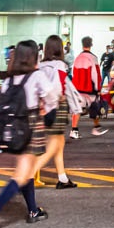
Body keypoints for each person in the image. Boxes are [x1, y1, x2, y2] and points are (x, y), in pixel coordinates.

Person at [0, 40, 58, 228]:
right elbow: (52, 97)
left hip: (13, 128)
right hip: (30, 125)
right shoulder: (36, 76)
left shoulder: (9, 79)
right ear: (33, 57)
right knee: (22, 173)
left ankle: (33, 210)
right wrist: (46, 111)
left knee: (27, 169)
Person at [35, 35, 76, 189]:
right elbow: (59, 87)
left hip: (43, 105)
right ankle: (28, 174)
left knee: (58, 142)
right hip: (57, 105)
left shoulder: (41, 65)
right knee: (54, 143)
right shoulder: (60, 65)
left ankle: (62, 177)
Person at [69, 36, 107, 139]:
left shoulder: (77, 58)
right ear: (91, 44)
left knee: (77, 109)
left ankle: (74, 130)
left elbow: (74, 73)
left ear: (82, 45)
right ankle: (96, 128)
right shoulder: (93, 58)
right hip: (89, 88)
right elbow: (95, 74)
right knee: (95, 107)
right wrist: (97, 89)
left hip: (78, 88)